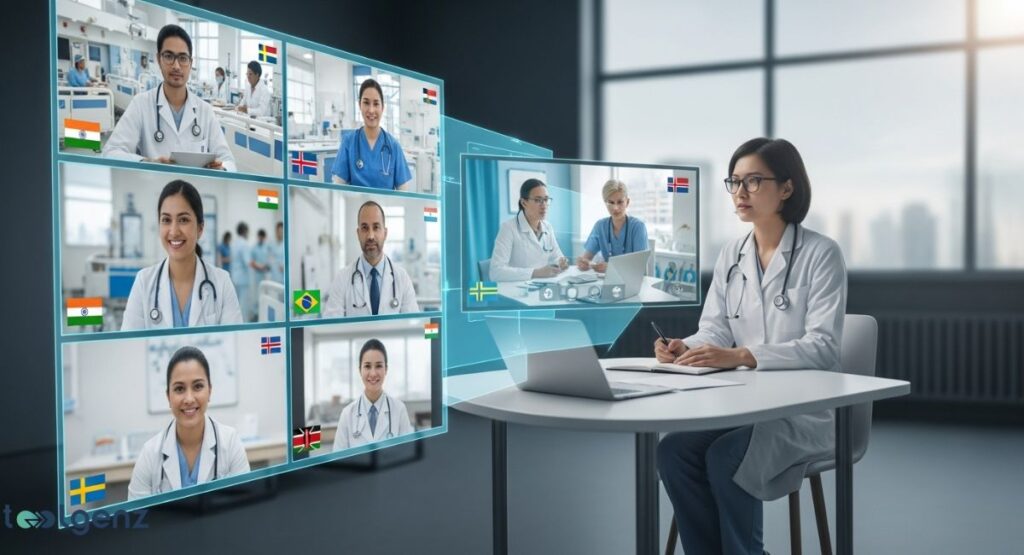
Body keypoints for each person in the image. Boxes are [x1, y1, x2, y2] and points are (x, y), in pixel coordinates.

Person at [654, 138, 847, 555]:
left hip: (803, 412)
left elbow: (823, 347)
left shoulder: (821, 254)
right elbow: (715, 332)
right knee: (673, 450)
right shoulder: (732, 254)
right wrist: (684, 347)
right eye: (735, 182)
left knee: (727, 456)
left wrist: (743, 355)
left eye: (754, 181)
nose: (740, 193)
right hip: (742, 407)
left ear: (787, 189)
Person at [102, 24, 236, 171]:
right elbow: (110, 153)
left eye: (183, 58)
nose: (176, 66)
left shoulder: (205, 111)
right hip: (154, 188)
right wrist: (147, 162)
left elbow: (229, 161)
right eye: (169, 56)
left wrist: (222, 168)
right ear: (159, 59)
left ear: (190, 63)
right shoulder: (141, 104)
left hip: (195, 190)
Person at [127, 346, 250, 499]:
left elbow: (244, 510)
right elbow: (137, 517)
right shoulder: (149, 455)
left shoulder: (230, 443)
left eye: (198, 386)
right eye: (179, 389)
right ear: (168, 397)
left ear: (209, 391)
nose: (189, 399)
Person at [122, 180, 242, 330]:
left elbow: (234, 346)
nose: (174, 231)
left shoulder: (222, 283)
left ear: (200, 228)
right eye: (166, 220)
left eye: (183, 220)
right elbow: (130, 347)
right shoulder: (143, 282)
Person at [323, 201, 419, 317]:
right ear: (358, 233)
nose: (370, 236)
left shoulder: (402, 278)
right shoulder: (342, 278)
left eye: (376, 227)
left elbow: (412, 325)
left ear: (385, 233)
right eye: (364, 228)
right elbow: (330, 328)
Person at [330, 78, 413, 191]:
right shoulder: (349, 142)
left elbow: (403, 191)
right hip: (356, 208)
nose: (371, 110)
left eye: (376, 104)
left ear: (382, 107)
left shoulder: (393, 146)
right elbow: (338, 187)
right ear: (360, 105)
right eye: (366, 103)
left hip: (386, 208)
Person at [332, 339, 414, 451]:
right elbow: (338, 461)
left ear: (386, 369)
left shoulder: (399, 409)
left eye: (379, 366)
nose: (373, 373)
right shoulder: (347, 414)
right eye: (367, 366)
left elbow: (408, 455)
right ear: (360, 370)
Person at [489, 178, 569, 282]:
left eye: (546, 200)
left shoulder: (547, 227)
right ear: (524, 202)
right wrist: (535, 273)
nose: (544, 205)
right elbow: (496, 272)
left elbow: (557, 257)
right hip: (516, 288)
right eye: (537, 200)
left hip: (541, 286)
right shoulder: (508, 228)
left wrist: (562, 262)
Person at [576, 179, 649, 272]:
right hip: (609, 282)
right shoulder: (600, 226)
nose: (615, 208)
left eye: (620, 202)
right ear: (605, 203)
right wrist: (583, 263)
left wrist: (611, 267)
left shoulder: (638, 227)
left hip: (633, 283)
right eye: (611, 202)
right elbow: (586, 258)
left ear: (627, 202)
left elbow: (640, 267)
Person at [230, 222, 254, 321]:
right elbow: (248, 262)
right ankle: (244, 326)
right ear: (244, 231)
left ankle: (236, 325)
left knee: (235, 305)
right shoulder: (244, 244)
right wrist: (261, 266)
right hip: (243, 279)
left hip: (235, 278)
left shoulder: (234, 244)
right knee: (243, 305)